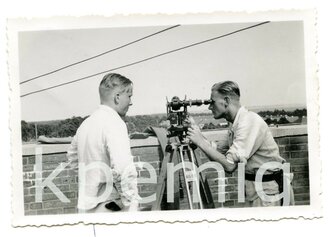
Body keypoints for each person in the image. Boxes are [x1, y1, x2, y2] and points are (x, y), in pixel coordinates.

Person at [186, 81, 293, 207]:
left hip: (268, 193)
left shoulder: (248, 122)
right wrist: (197, 132)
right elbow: (218, 151)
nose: (210, 107)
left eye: (212, 102)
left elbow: (229, 166)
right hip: (255, 190)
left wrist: (199, 141)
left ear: (226, 100)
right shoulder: (237, 123)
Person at [67, 73, 139, 213]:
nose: (130, 102)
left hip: (86, 207)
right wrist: (132, 205)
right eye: (129, 96)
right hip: (109, 207)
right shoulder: (115, 123)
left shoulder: (86, 124)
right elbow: (124, 169)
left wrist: (93, 177)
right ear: (117, 97)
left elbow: (72, 158)